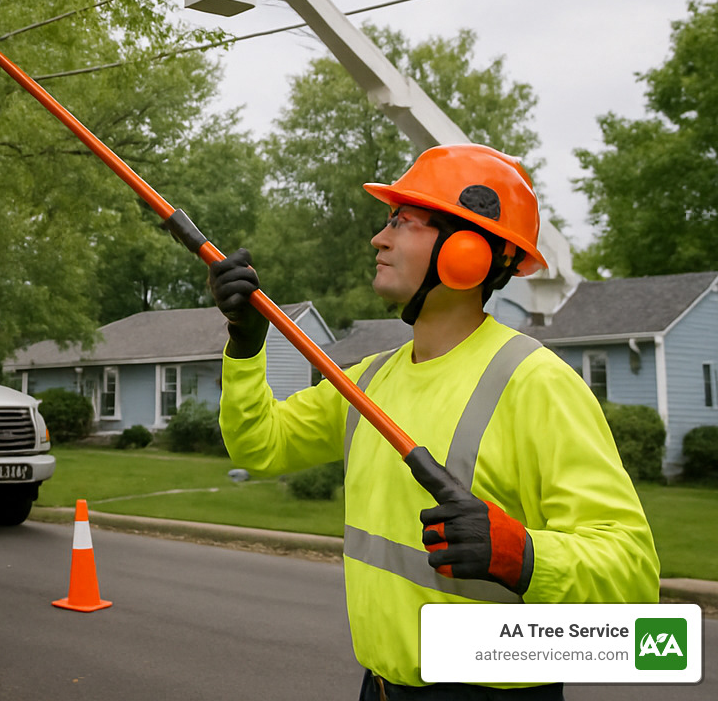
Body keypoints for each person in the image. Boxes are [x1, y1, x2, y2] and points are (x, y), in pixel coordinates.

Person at [206, 144, 659, 700]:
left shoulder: (537, 383)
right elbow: (261, 445)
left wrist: (524, 556)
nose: (380, 237)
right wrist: (246, 346)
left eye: (404, 221)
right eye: (388, 221)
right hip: (380, 689)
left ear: (466, 251)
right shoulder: (368, 382)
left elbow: (631, 575)